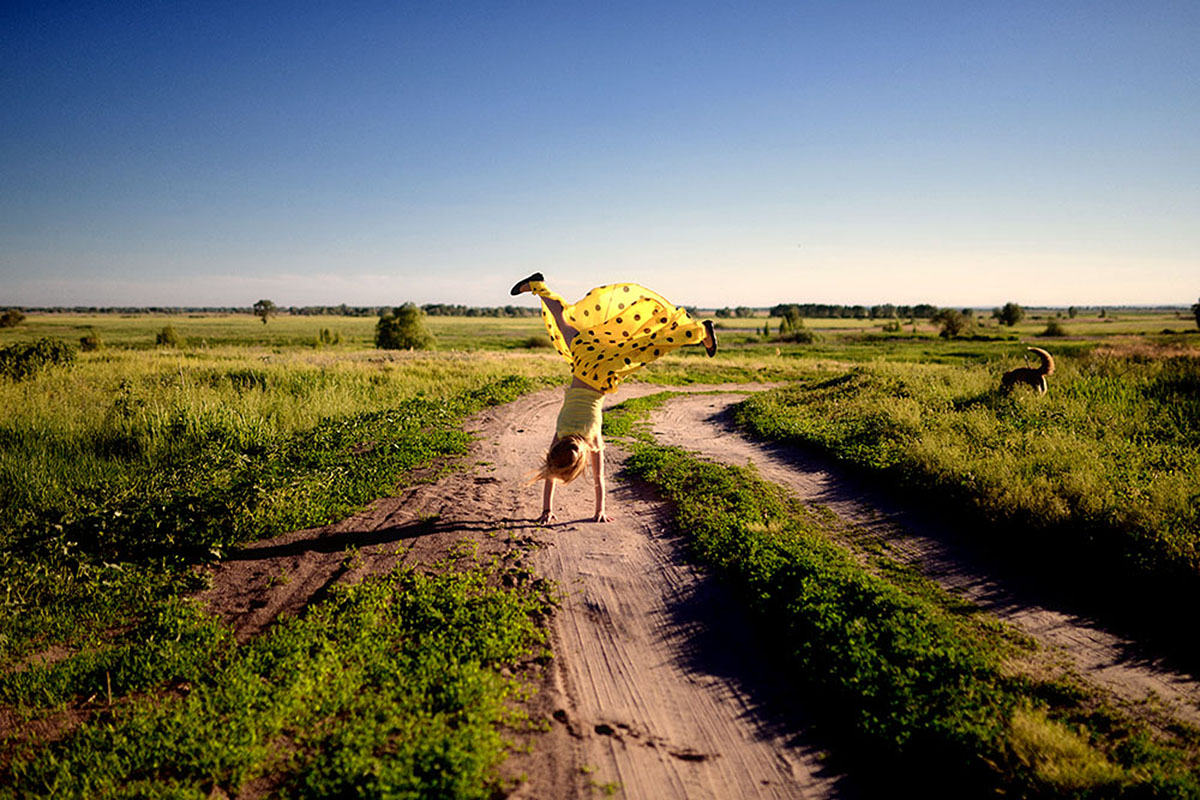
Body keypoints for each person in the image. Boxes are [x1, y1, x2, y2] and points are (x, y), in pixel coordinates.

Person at [510, 272, 717, 523]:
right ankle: (537, 286)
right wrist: (550, 509)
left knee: (645, 348)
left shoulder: (591, 439)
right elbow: (553, 471)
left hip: (602, 372)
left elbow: (598, 480)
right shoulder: (562, 432)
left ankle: (699, 331)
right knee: (562, 320)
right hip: (585, 357)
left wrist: (598, 511)